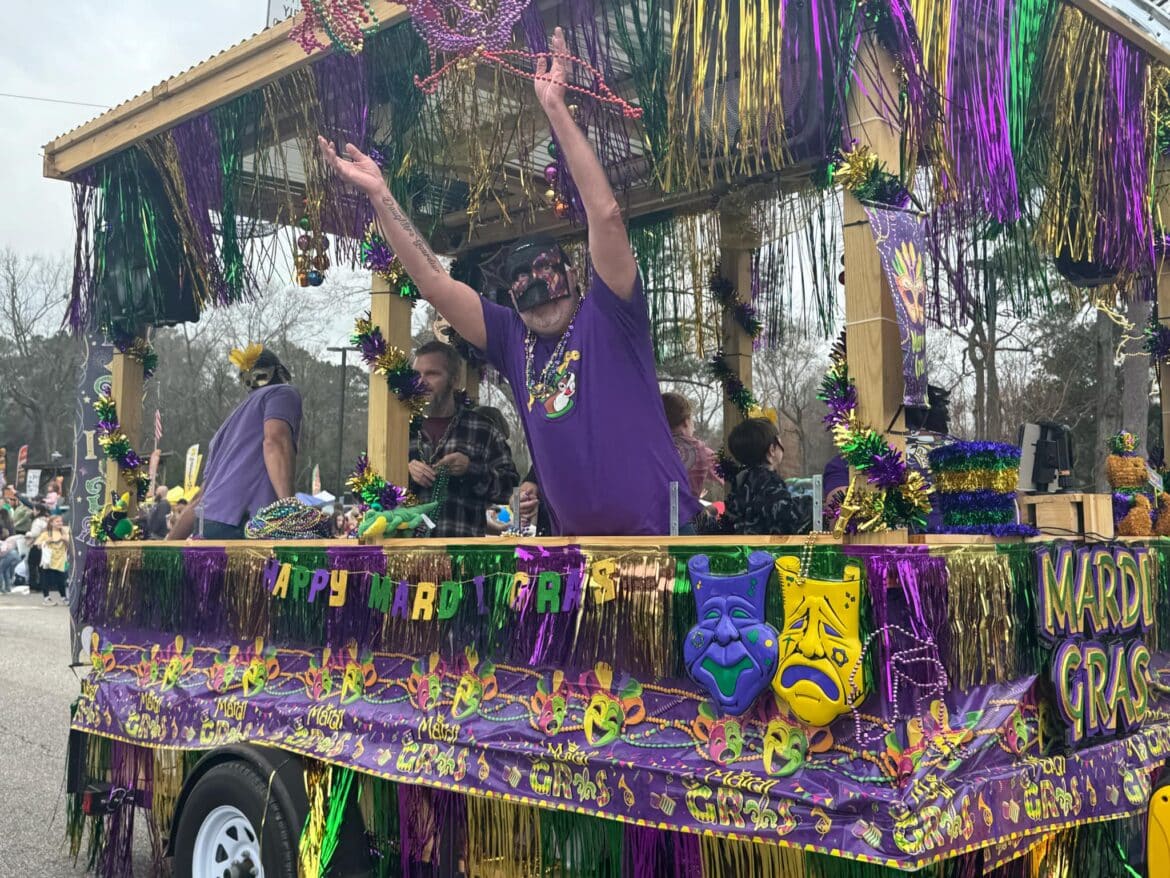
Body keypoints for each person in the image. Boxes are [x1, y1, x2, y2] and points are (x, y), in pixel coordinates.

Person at [319, 26, 697, 536]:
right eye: (520, 279)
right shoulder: (512, 339)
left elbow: (606, 215)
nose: (534, 285)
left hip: (661, 544)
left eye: (545, 269)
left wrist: (555, 110)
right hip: (575, 555)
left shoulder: (610, 314)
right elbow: (434, 283)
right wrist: (381, 197)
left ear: (572, 276)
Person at [168, 345, 301, 540]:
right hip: (248, 521)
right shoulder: (282, 393)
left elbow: (201, 498)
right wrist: (290, 511)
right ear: (280, 372)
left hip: (207, 524)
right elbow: (275, 442)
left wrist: (167, 545)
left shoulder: (225, 429)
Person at [409, 341, 519, 537]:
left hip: (461, 550)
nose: (421, 382)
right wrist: (403, 473)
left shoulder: (482, 430)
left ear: (454, 380)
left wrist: (471, 469)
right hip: (404, 551)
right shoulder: (400, 428)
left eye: (432, 374)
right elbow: (363, 488)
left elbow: (510, 490)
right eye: (416, 374)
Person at [724, 418, 810, 536]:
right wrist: (812, 504)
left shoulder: (741, 479)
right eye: (779, 440)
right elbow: (785, 514)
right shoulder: (768, 481)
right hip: (765, 546)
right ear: (772, 450)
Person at [661, 392, 722, 499]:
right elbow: (729, 478)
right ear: (686, 422)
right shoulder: (703, 452)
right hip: (688, 509)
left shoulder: (651, 449)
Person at [35, 515, 70, 605]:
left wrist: (65, 540)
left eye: (61, 521)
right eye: (57, 521)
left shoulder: (64, 533)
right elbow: (38, 546)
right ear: (51, 523)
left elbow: (68, 547)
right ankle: (46, 598)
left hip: (60, 559)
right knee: (46, 579)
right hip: (48, 559)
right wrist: (47, 541)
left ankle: (64, 597)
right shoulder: (46, 533)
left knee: (61, 579)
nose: (60, 523)